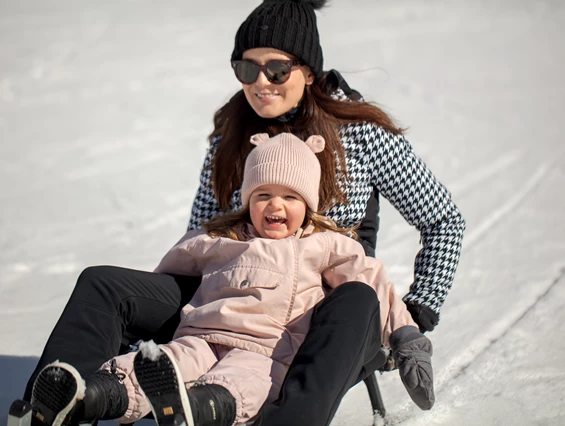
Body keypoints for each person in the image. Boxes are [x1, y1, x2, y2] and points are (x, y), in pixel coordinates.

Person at [23, 0, 465, 425]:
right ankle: (55, 405)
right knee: (103, 285)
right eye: (245, 68)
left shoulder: (360, 135)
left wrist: (417, 311)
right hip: (234, 291)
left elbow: (443, 219)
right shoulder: (231, 135)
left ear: (308, 71)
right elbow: (202, 229)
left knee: (358, 297)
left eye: (276, 68)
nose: (260, 81)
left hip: (324, 310)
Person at [29, 133, 435, 426]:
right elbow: (167, 276)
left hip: (264, 349)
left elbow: (371, 279)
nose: (276, 205)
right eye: (263, 195)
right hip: (199, 337)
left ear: (307, 205)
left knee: (239, 384)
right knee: (152, 367)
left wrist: (407, 337)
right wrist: (141, 322)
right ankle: (88, 396)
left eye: (290, 197)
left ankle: (196, 409)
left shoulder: (322, 244)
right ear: (248, 200)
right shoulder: (217, 239)